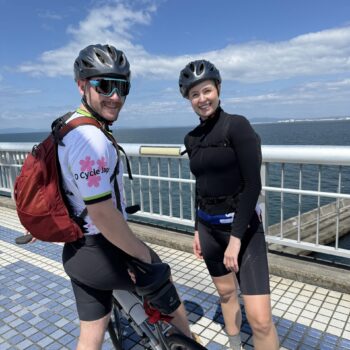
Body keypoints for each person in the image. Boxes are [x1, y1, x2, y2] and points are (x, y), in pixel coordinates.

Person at [59, 44, 195, 350]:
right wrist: (144, 257)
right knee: (165, 284)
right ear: (82, 85)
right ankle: (190, 342)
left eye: (122, 86)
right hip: (101, 251)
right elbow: (104, 215)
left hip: (76, 251)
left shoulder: (67, 127)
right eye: (104, 85)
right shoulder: (91, 139)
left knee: (90, 337)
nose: (116, 96)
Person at [178, 60, 279, 350]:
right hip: (209, 230)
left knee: (260, 319)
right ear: (189, 99)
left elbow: (252, 186)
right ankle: (236, 345)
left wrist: (235, 240)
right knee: (226, 296)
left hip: (244, 232)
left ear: (218, 89)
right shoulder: (192, 138)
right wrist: (197, 229)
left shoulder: (237, 126)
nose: (202, 99)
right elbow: (201, 187)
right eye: (194, 95)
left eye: (207, 90)